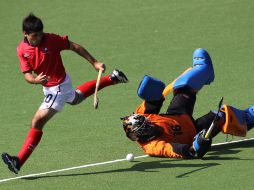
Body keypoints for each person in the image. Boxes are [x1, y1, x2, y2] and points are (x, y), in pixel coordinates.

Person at [2, 13, 128, 174]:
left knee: (37, 121)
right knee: (75, 98)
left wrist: (94, 62)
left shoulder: (52, 40)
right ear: (25, 34)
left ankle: (18, 161)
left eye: (41, 34)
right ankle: (113, 78)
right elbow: (26, 73)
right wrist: (35, 80)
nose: (39, 38)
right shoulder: (22, 49)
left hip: (58, 85)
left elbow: (74, 46)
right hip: (48, 86)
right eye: (35, 36)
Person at [121, 48, 254, 159]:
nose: (150, 123)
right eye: (147, 127)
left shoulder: (143, 116)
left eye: (147, 122)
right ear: (142, 134)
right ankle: (249, 117)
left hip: (178, 115)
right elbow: (184, 151)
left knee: (183, 87)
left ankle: (204, 70)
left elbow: (154, 100)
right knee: (222, 115)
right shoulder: (153, 146)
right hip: (193, 133)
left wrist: (152, 96)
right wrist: (197, 146)